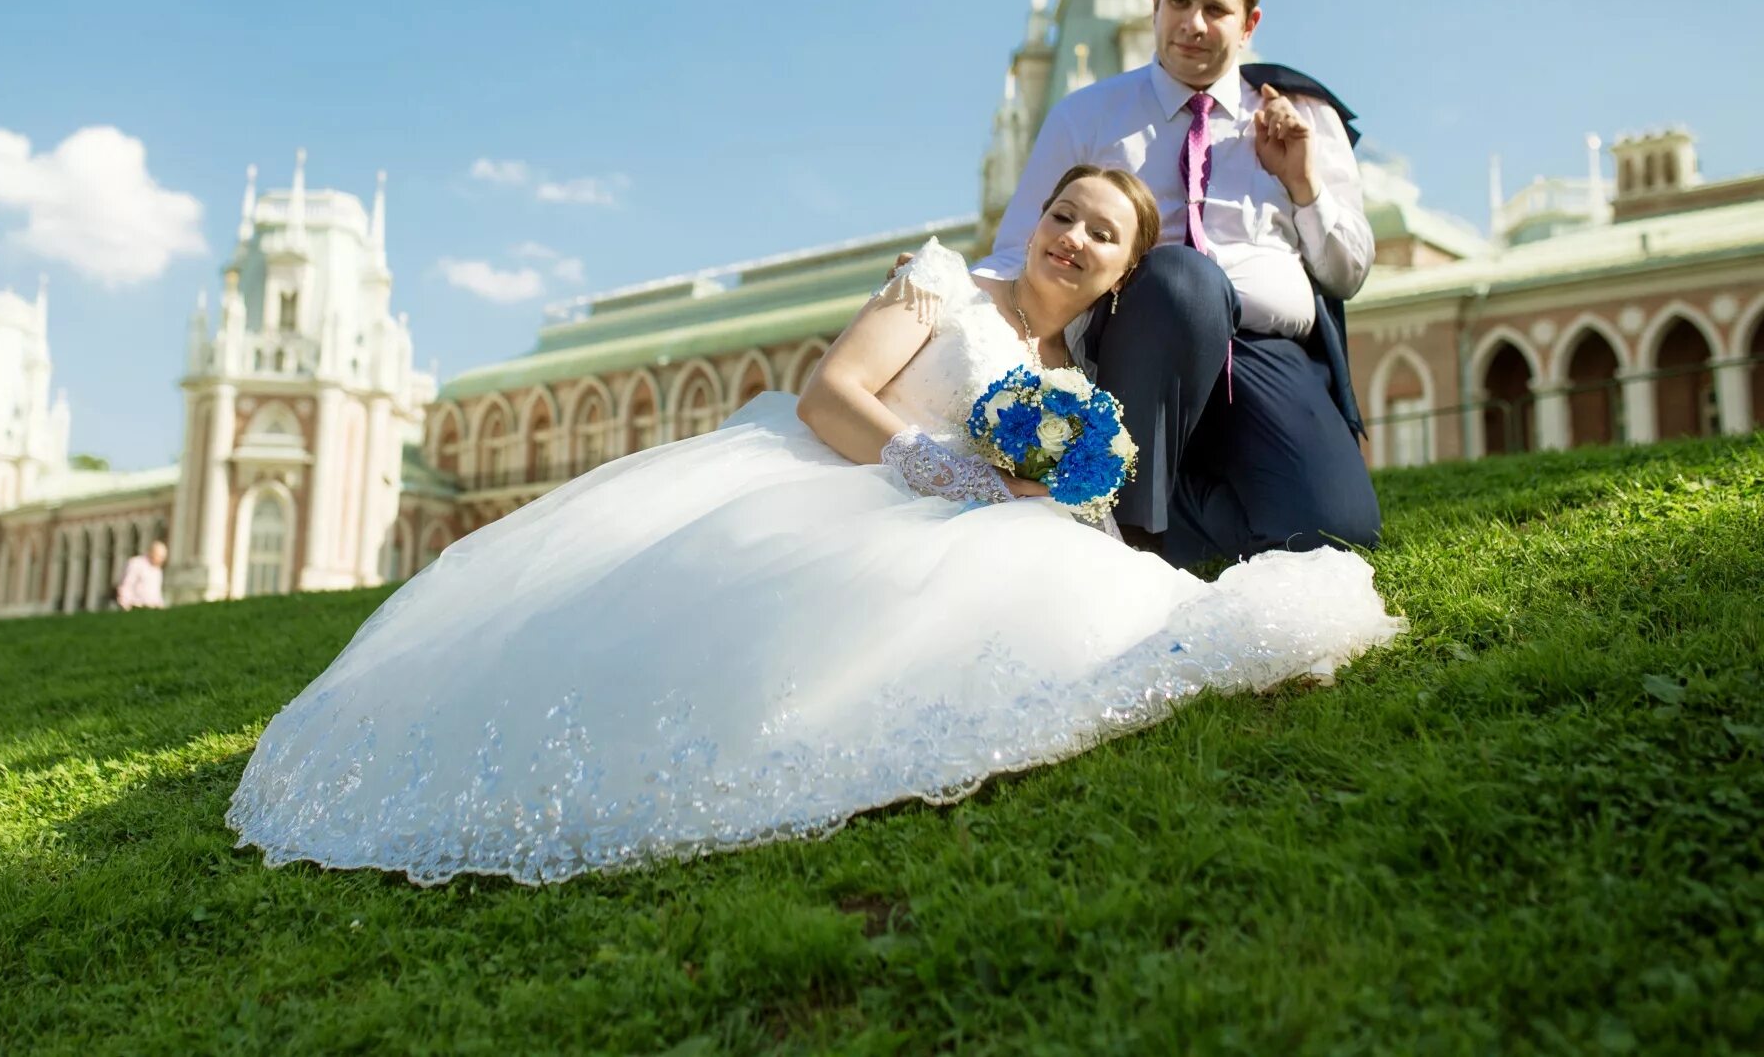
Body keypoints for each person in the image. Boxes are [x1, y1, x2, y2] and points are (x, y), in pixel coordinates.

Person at [226, 168, 1401, 885]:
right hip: (855, 485)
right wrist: (927, 463)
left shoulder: (1077, 383)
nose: (1071, 238)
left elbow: (1057, 496)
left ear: (1120, 274)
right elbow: (830, 394)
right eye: (1060, 214)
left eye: (1100, 234)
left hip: (979, 529)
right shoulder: (941, 281)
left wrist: (1022, 491)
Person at [981, 0, 1381, 568]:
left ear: (1250, 22)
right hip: (1142, 349)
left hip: (1263, 353)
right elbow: (1015, 247)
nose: (1193, 25)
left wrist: (1304, 183)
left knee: (1335, 535)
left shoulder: (1304, 117)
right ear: (1155, 2)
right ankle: (1132, 539)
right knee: (1182, 279)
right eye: (1180, 2)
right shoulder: (1088, 115)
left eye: (1216, 10)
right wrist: (945, 285)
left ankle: (1139, 521)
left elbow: (1347, 273)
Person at [114, 540, 167, 610]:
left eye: (163, 558)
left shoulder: (158, 570)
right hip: (136, 606)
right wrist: (125, 604)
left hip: (151, 608)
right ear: (152, 553)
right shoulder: (136, 563)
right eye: (159, 556)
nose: (161, 560)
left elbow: (156, 591)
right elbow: (127, 584)